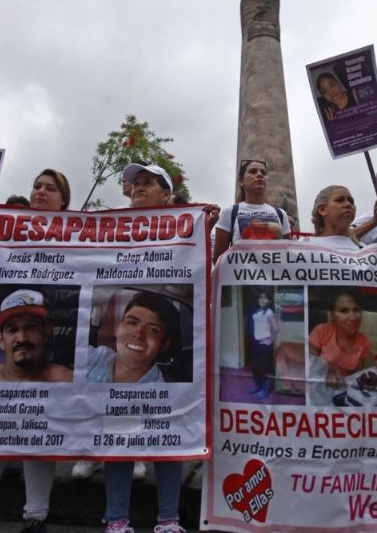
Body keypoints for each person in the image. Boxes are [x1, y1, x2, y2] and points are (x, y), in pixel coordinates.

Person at [99, 161, 219, 533]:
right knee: (117, 438)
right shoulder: (110, 226)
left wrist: (206, 230)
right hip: (129, 366)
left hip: (172, 352)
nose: (139, 187)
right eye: (136, 182)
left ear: (167, 195)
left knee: (171, 435)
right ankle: (117, 519)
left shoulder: (189, 229)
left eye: (149, 183)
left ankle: (168, 519)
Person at [0, 168, 72, 533]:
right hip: (1, 331)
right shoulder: (3, 226)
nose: (40, 191)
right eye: (36, 185)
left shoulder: (77, 234)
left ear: (64, 201)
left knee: (40, 434)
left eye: (50, 188)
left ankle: (35, 518)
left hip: (41, 345)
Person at [0, 289, 73, 383]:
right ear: (1, 340)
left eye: (31, 327)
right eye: (12, 330)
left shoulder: (66, 379)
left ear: (45, 333)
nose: (22, 338)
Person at [85, 291, 181, 384]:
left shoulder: (163, 392)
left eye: (153, 329)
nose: (138, 333)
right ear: (118, 328)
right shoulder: (93, 355)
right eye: (132, 322)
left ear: (164, 344)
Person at [213, 159, 291, 261]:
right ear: (241, 181)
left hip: (274, 276)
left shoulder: (281, 214)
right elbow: (219, 260)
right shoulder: (229, 212)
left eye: (263, 172)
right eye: (253, 171)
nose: (259, 174)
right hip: (241, 276)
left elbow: (287, 256)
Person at [306, 185, 362, 251]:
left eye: (351, 201)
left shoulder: (366, 251)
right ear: (322, 209)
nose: (348, 204)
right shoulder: (303, 246)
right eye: (340, 200)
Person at [248, 290, 277, 400]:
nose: (262, 299)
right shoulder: (257, 311)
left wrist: (270, 340)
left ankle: (265, 390)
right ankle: (258, 386)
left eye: (265, 298)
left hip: (265, 344)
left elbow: (276, 328)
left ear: (269, 300)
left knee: (266, 369)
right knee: (255, 368)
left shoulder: (269, 311)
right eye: (260, 297)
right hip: (256, 343)